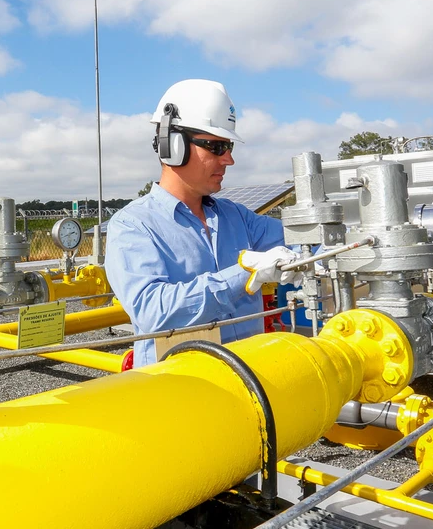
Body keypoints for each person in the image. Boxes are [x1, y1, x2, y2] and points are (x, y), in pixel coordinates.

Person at [105, 79, 302, 367]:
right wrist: (244, 274)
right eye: (217, 146)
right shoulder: (133, 225)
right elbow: (153, 312)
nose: (229, 160)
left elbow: (303, 238)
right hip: (181, 394)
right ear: (172, 145)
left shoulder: (237, 217)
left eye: (229, 146)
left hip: (251, 386)